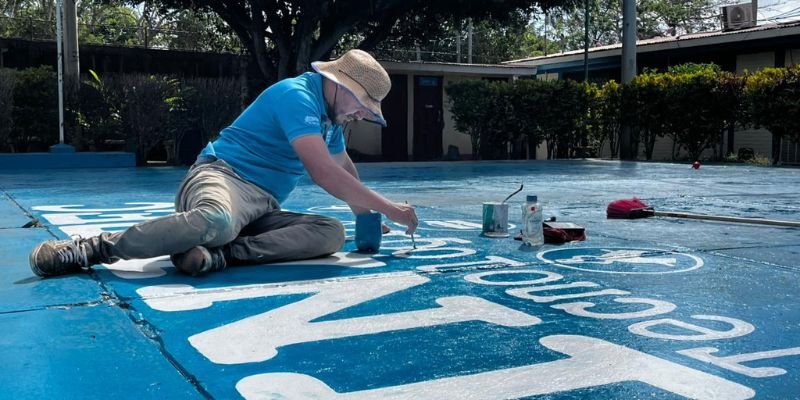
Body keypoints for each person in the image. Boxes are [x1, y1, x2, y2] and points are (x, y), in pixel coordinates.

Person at [29, 49, 418, 277]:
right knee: (216, 220)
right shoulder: (296, 96)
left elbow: (342, 165)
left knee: (330, 234)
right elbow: (322, 171)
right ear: (339, 86)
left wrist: (364, 213)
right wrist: (390, 208)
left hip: (262, 204)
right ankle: (93, 249)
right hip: (223, 177)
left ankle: (217, 255)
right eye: (360, 106)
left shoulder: (331, 118)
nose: (360, 115)